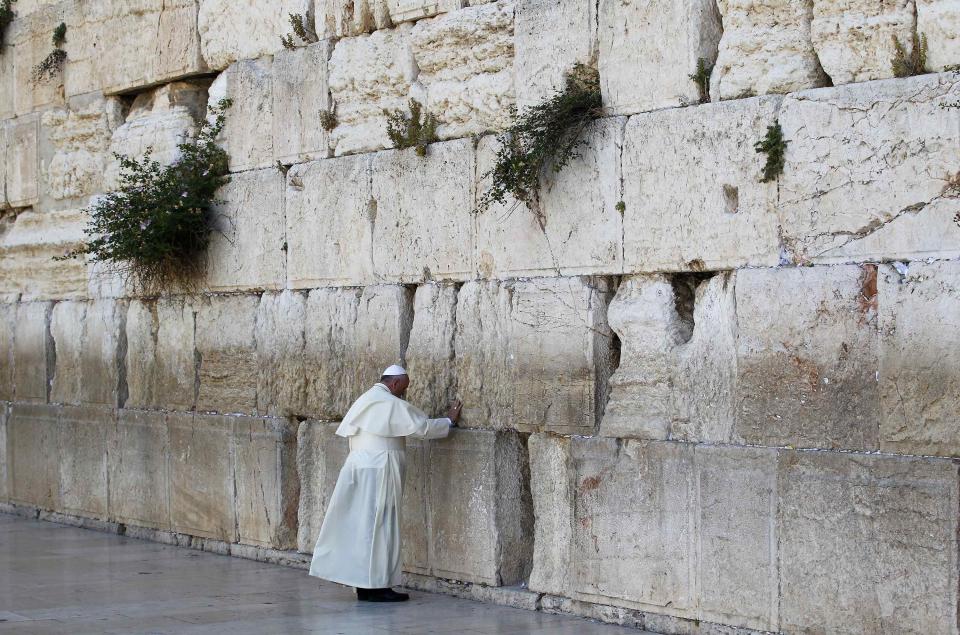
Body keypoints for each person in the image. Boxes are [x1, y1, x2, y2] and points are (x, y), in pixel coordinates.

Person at [309, 365, 463, 602]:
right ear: (395, 383)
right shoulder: (387, 402)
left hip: (359, 468)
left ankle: (364, 585)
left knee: (363, 527)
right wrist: (448, 421)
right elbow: (421, 427)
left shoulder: (367, 399)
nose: (403, 394)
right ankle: (379, 586)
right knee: (381, 526)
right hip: (380, 470)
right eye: (403, 388)